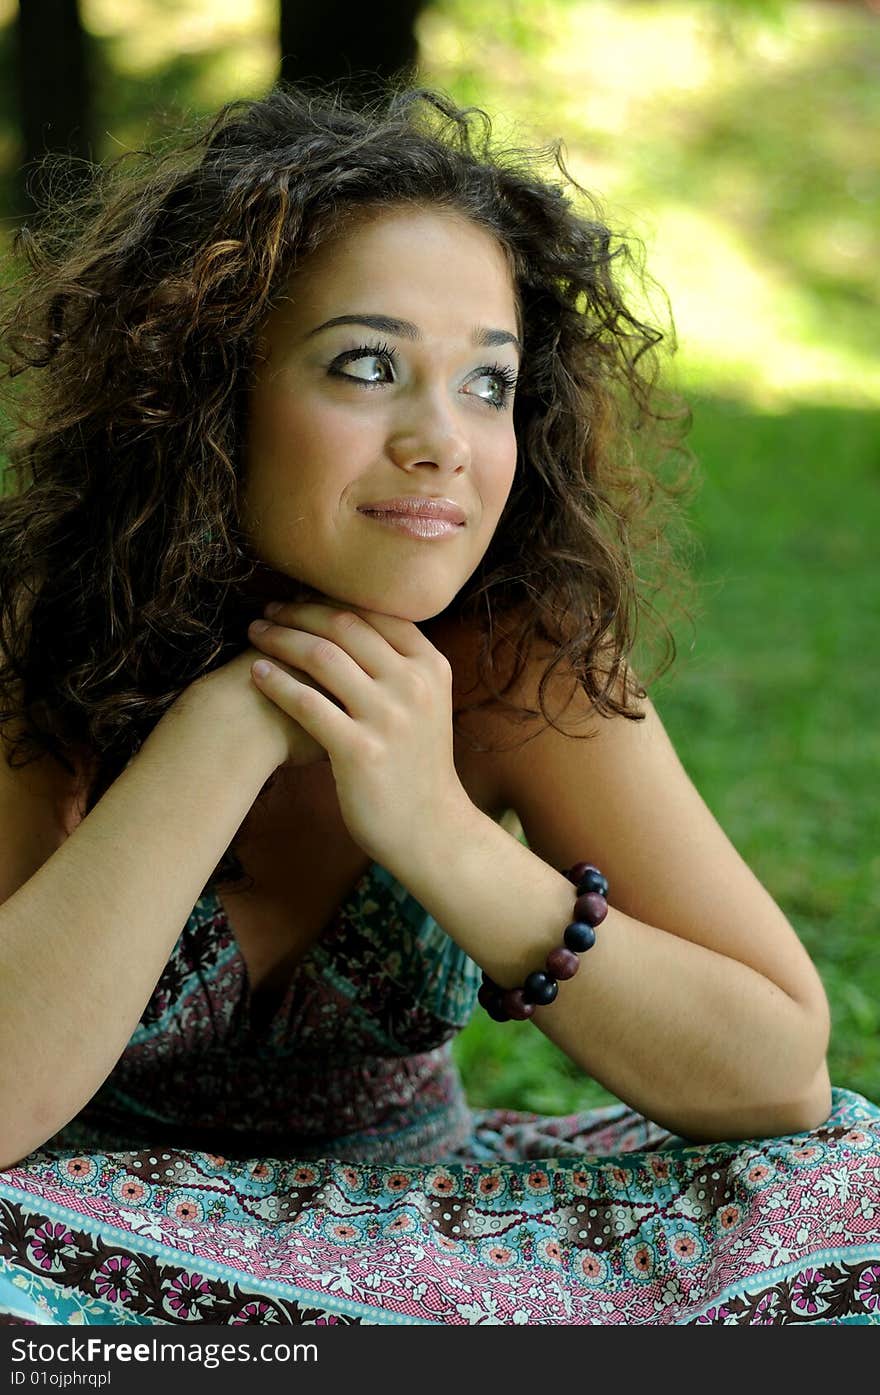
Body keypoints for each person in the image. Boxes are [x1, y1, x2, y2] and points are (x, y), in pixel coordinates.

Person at [0, 82, 877, 1329]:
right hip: (81, 1240)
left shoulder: (520, 658)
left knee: (854, 1192)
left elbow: (779, 1077)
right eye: (367, 367)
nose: (442, 442)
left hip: (426, 1238)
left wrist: (436, 827)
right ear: (205, 388)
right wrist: (226, 729)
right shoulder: (39, 644)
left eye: (486, 384)